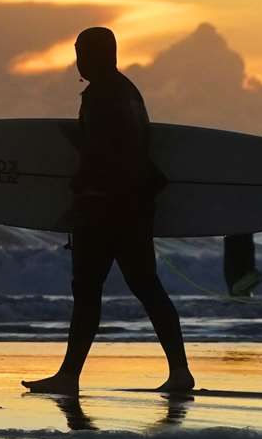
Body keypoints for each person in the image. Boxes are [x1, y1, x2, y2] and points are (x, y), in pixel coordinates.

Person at [23, 26, 195, 395]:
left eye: (82, 52)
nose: (77, 60)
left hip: (105, 208)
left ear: (101, 55)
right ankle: (180, 372)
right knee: (146, 288)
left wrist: (81, 189)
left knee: (88, 291)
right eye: (76, 51)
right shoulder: (129, 92)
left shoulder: (102, 96)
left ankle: (69, 376)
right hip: (133, 207)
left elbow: (105, 155)